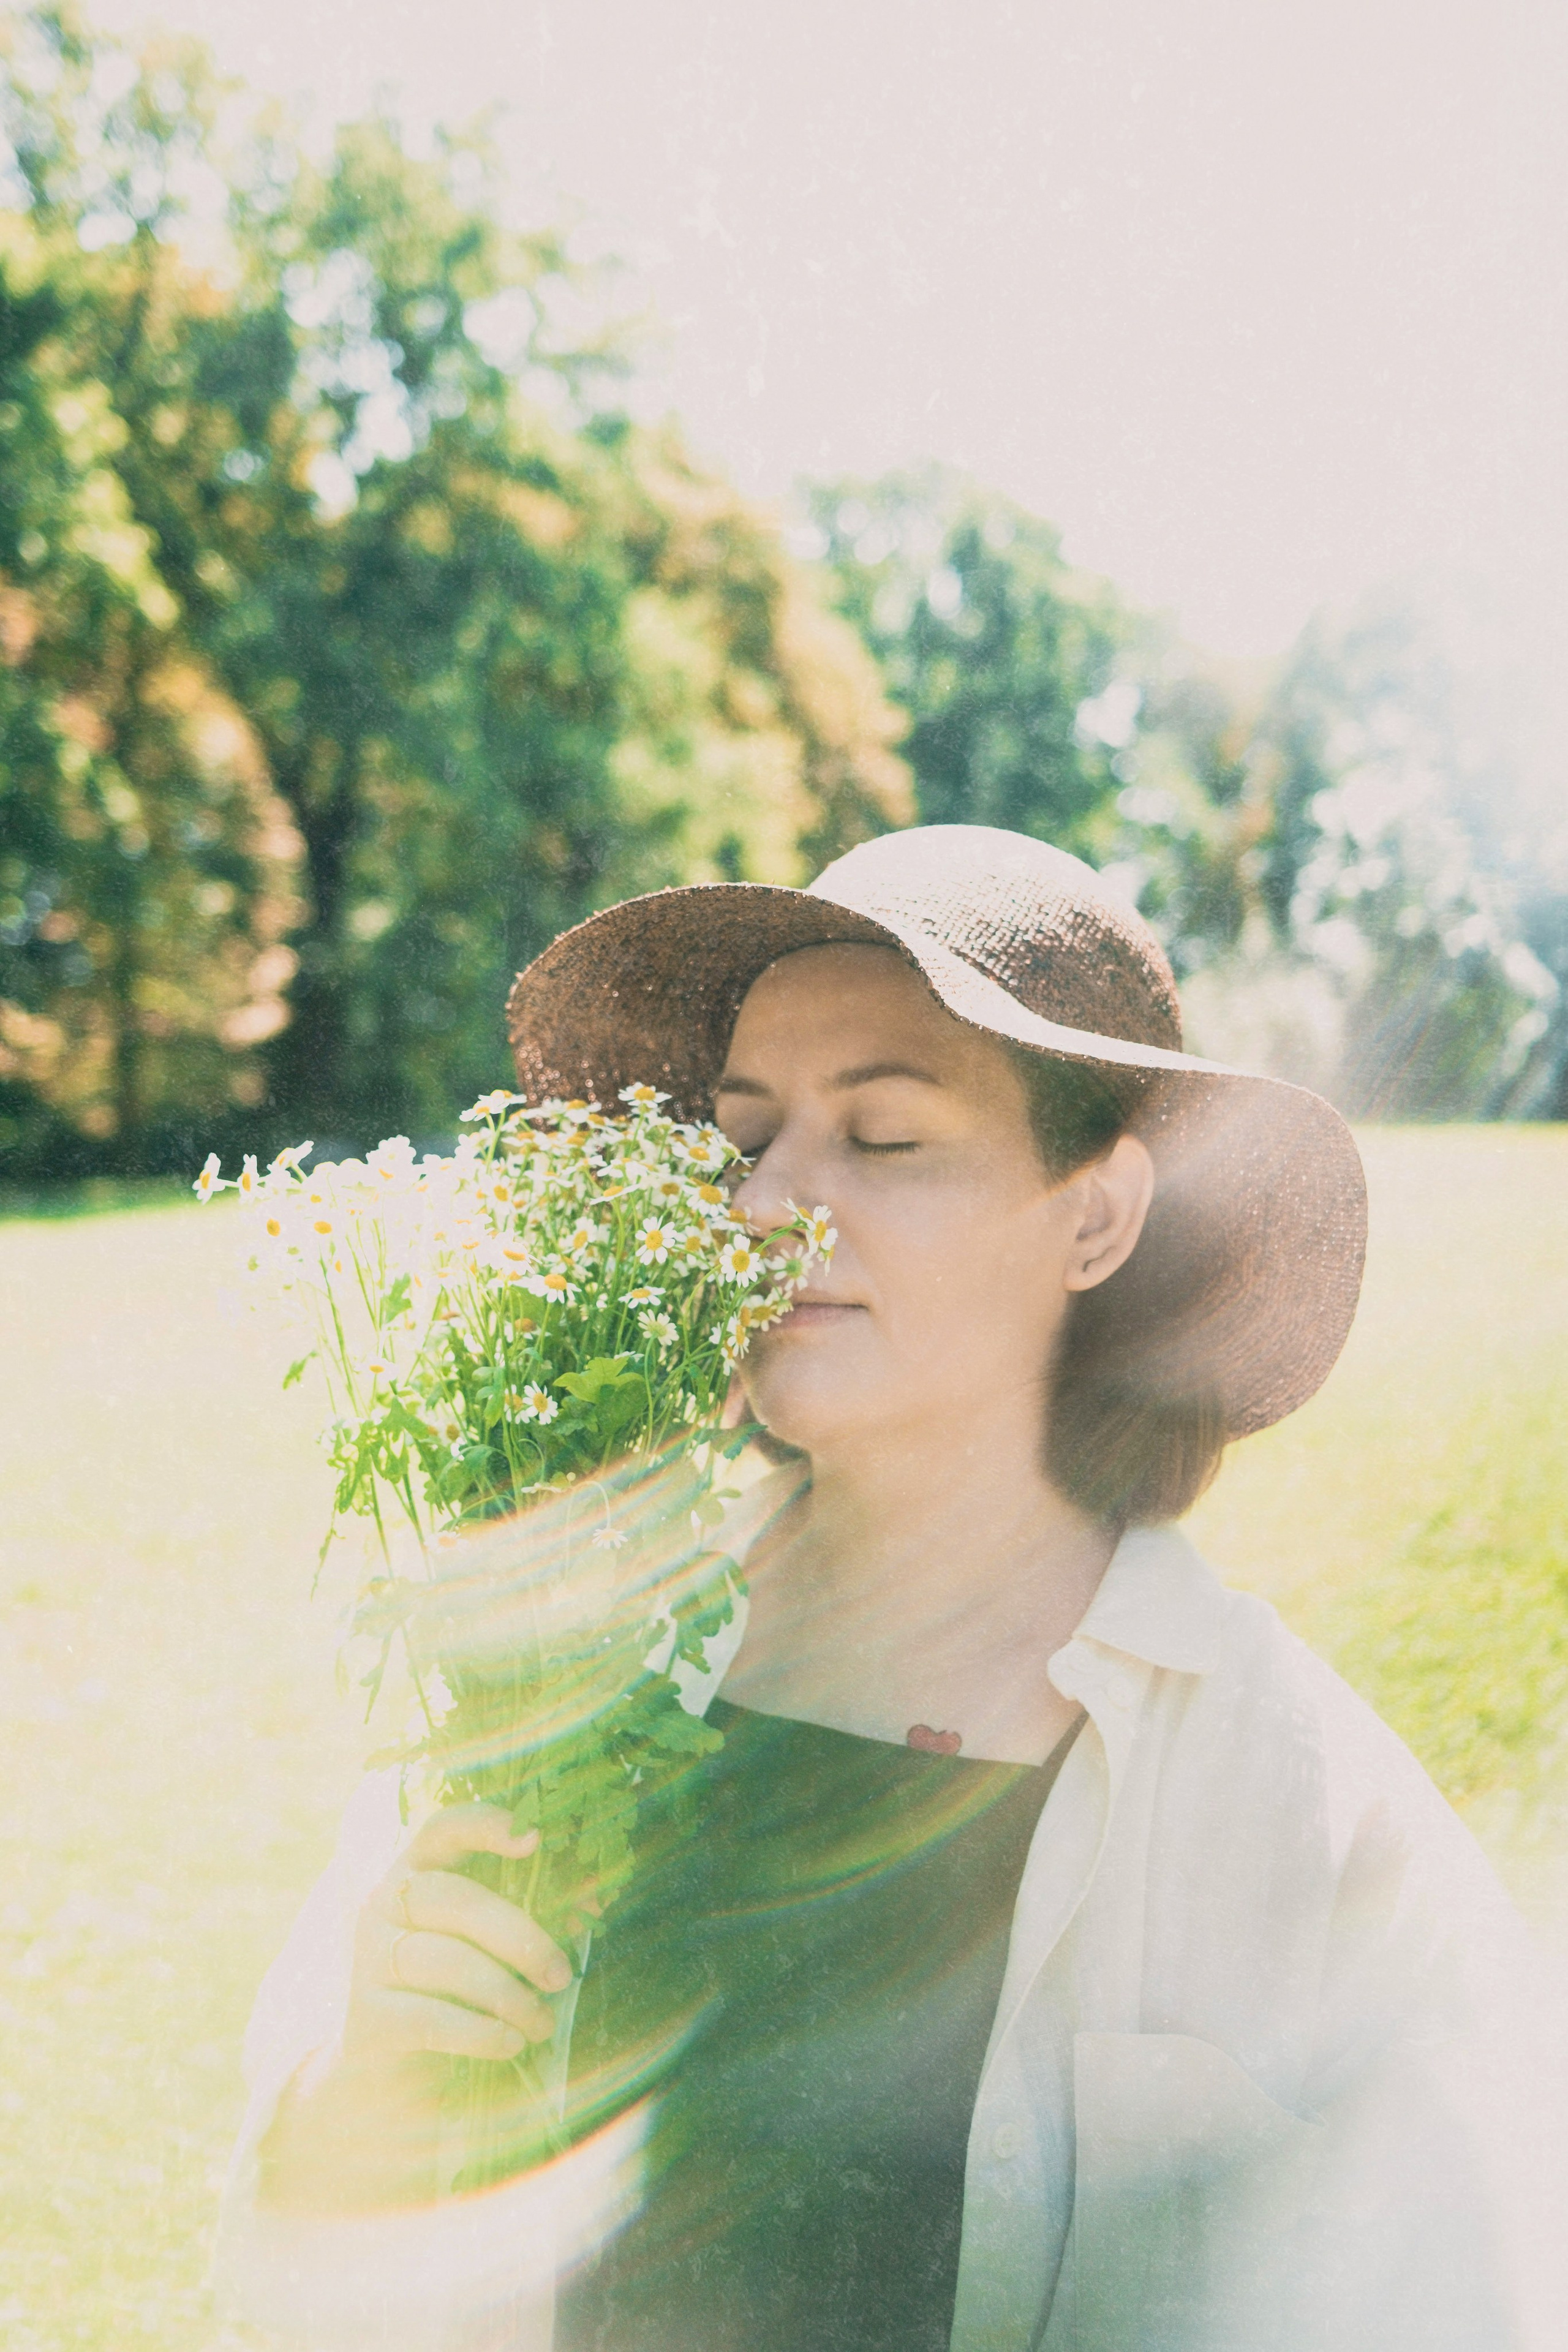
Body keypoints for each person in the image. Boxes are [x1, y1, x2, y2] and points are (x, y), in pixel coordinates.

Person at [216, 825, 1564, 2351]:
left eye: (884, 1138)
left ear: (1094, 1218)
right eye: (741, 1138)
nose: (763, 1204)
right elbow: (307, 2259)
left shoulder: (1305, 1827)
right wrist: (357, 2107)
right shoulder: (567, 1652)